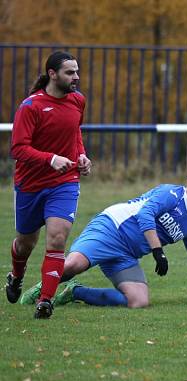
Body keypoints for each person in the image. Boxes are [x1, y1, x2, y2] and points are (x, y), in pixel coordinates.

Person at [18, 164, 187, 309]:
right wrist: (158, 251)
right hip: (110, 228)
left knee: (139, 301)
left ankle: (75, 292)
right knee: (74, 265)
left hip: (126, 254)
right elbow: (145, 215)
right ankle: (41, 291)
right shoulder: (171, 194)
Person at [6, 51, 91, 319]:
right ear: (52, 74)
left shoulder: (78, 101)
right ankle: (16, 275)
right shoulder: (30, 107)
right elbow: (18, 149)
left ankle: (45, 301)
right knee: (25, 243)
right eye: (69, 72)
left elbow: (75, 132)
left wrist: (81, 155)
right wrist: (50, 159)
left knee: (57, 239)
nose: (76, 77)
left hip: (64, 182)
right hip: (31, 184)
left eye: (77, 71)